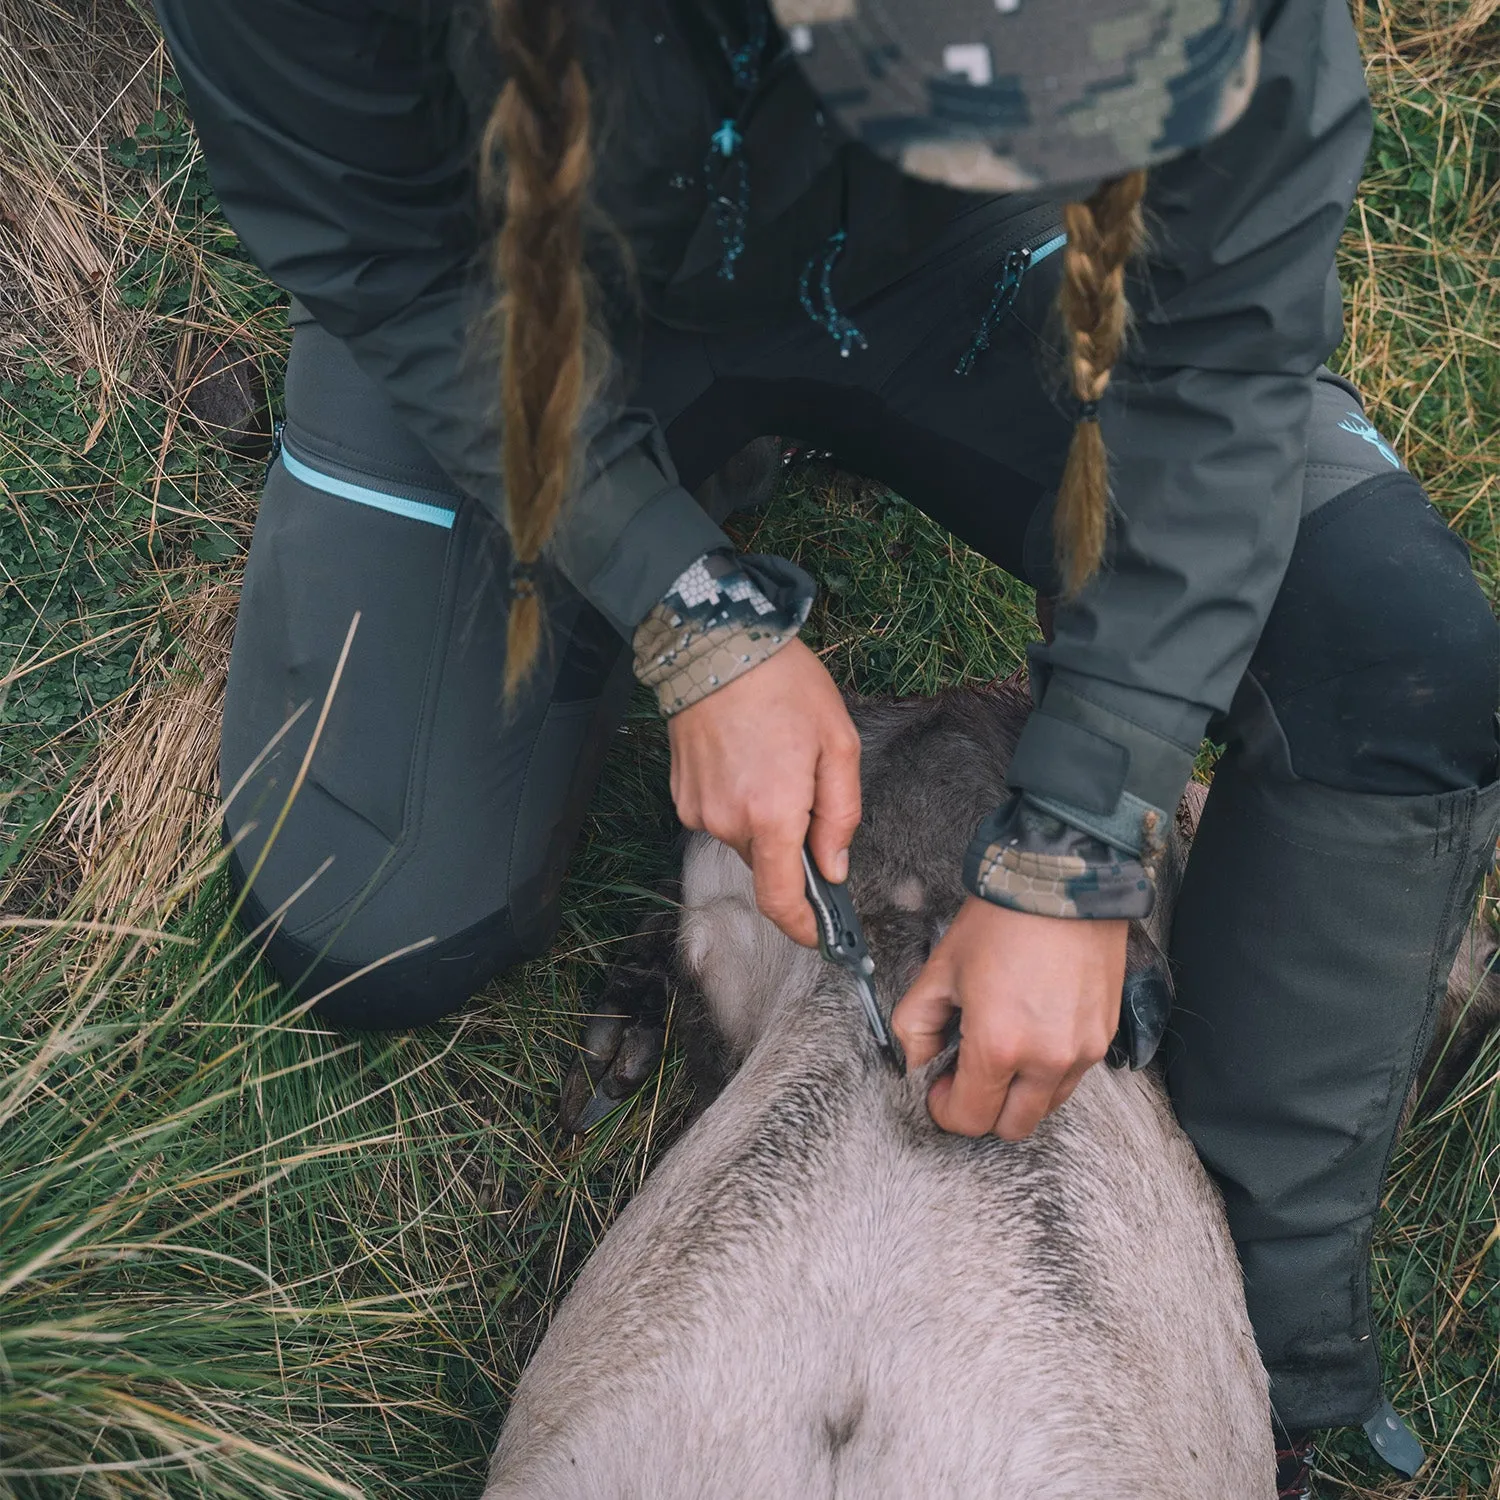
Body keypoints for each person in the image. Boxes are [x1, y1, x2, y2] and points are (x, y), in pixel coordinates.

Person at [153, 0, 1499, 1492]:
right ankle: (660, 468)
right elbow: (385, 247)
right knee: (373, 906)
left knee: (1390, 658)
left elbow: (1226, 347)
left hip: (974, 265)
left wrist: (1084, 832)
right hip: (521, 268)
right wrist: (688, 607)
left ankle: (1248, 1311)